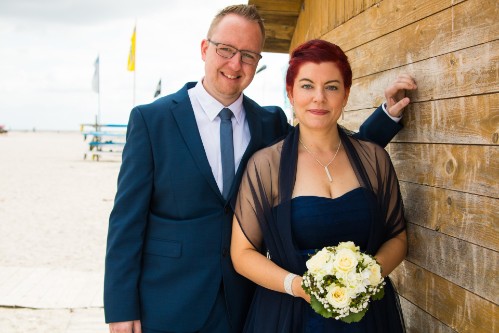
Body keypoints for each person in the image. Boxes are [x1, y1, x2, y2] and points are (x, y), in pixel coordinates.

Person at [104, 4, 416, 333]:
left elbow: (326, 152)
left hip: (246, 302)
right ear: (204, 48)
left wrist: (387, 117)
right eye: (225, 49)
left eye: (249, 55)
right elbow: (126, 223)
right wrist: (121, 309)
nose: (235, 63)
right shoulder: (152, 121)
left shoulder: (269, 122)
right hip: (170, 302)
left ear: (258, 63)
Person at [231, 39, 411, 332]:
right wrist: (297, 286)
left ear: (346, 94)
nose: (319, 98)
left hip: (366, 317)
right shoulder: (267, 166)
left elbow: (398, 237)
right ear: (290, 93)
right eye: (306, 85)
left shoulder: (374, 159)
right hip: (290, 317)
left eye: (331, 86)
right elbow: (242, 254)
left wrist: (365, 277)